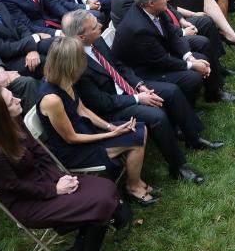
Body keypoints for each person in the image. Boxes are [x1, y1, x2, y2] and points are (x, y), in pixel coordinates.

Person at [0, 86, 117, 251]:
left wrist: (59, 178)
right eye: (10, 101)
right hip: (29, 203)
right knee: (101, 203)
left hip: (46, 179)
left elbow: (40, 153)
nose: (18, 100)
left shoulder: (14, 122)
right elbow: (14, 188)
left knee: (106, 188)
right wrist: (54, 189)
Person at [62, 10, 211, 184]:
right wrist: (138, 99)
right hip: (113, 108)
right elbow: (101, 103)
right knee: (158, 116)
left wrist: (139, 85)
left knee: (172, 91)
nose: (101, 25)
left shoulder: (96, 40)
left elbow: (118, 65)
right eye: (95, 26)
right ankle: (177, 167)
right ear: (81, 37)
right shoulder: (77, 65)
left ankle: (193, 138)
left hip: (128, 89)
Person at [35, 36, 155, 204]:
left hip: (86, 131)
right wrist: (110, 135)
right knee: (136, 138)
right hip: (75, 150)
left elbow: (82, 109)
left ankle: (136, 182)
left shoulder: (65, 79)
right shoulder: (51, 99)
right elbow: (71, 138)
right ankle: (133, 186)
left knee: (139, 130)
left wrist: (111, 127)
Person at [113, 0, 235, 105]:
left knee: (202, 57)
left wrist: (190, 58)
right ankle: (184, 111)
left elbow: (172, 35)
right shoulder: (139, 28)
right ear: (151, 3)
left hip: (157, 56)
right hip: (144, 70)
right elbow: (161, 61)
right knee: (193, 76)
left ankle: (213, 93)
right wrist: (192, 65)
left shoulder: (155, 10)